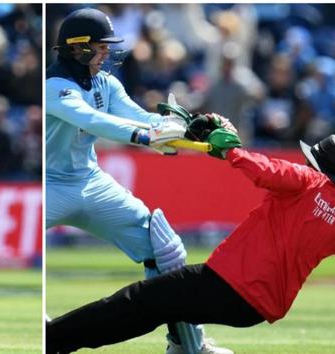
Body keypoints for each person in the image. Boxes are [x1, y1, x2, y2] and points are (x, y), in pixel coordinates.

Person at [47, 131, 335, 353]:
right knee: (166, 302)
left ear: (312, 162)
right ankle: (184, 346)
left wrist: (230, 152)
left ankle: (53, 338)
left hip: (228, 283)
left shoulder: (305, 180)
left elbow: (267, 172)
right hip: (256, 311)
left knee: (138, 301)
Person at [46, 7, 232, 354]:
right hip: (49, 185)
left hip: (90, 180)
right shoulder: (54, 87)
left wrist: (190, 130)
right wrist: (146, 137)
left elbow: (139, 116)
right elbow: (95, 120)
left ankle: (186, 344)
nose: (107, 54)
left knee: (165, 249)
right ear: (78, 47)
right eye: (101, 47)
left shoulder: (106, 82)